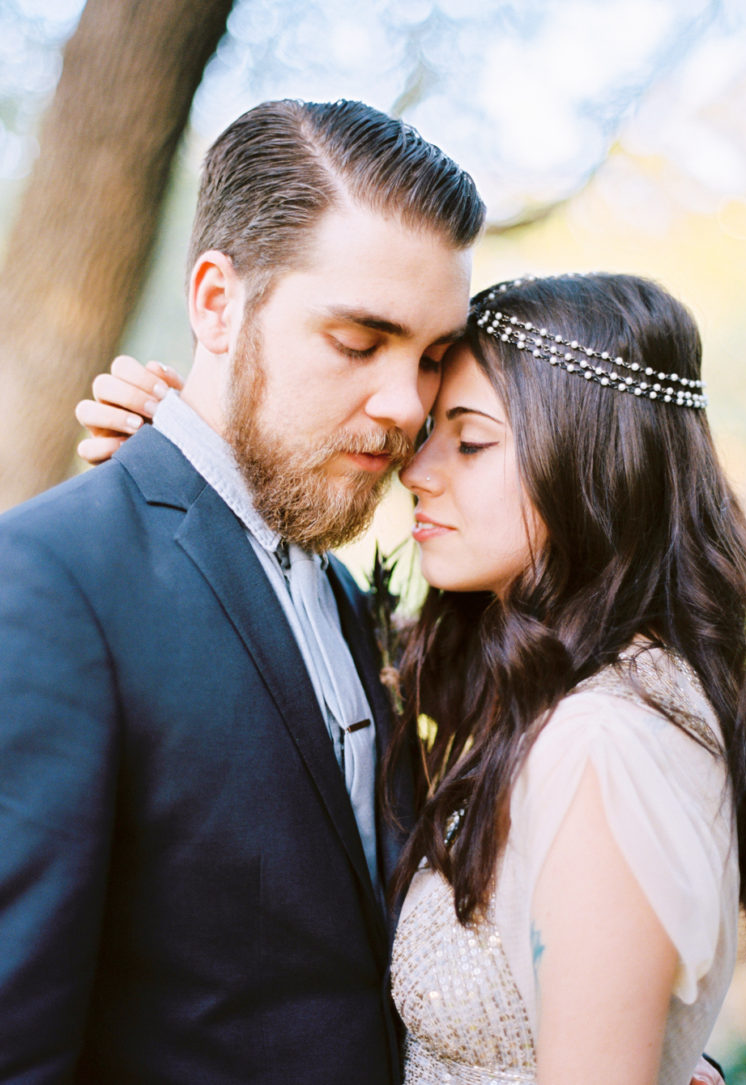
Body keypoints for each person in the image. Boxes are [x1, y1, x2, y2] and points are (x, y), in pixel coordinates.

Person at [75, 278, 746, 1084]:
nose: (416, 470)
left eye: (471, 440)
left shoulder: (605, 744)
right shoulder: (556, 691)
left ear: (596, 463)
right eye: (427, 434)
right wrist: (190, 470)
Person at [0, 98, 483, 1084]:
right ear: (218, 302)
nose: (406, 405)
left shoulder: (349, 594)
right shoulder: (50, 584)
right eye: (359, 339)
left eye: (433, 356)